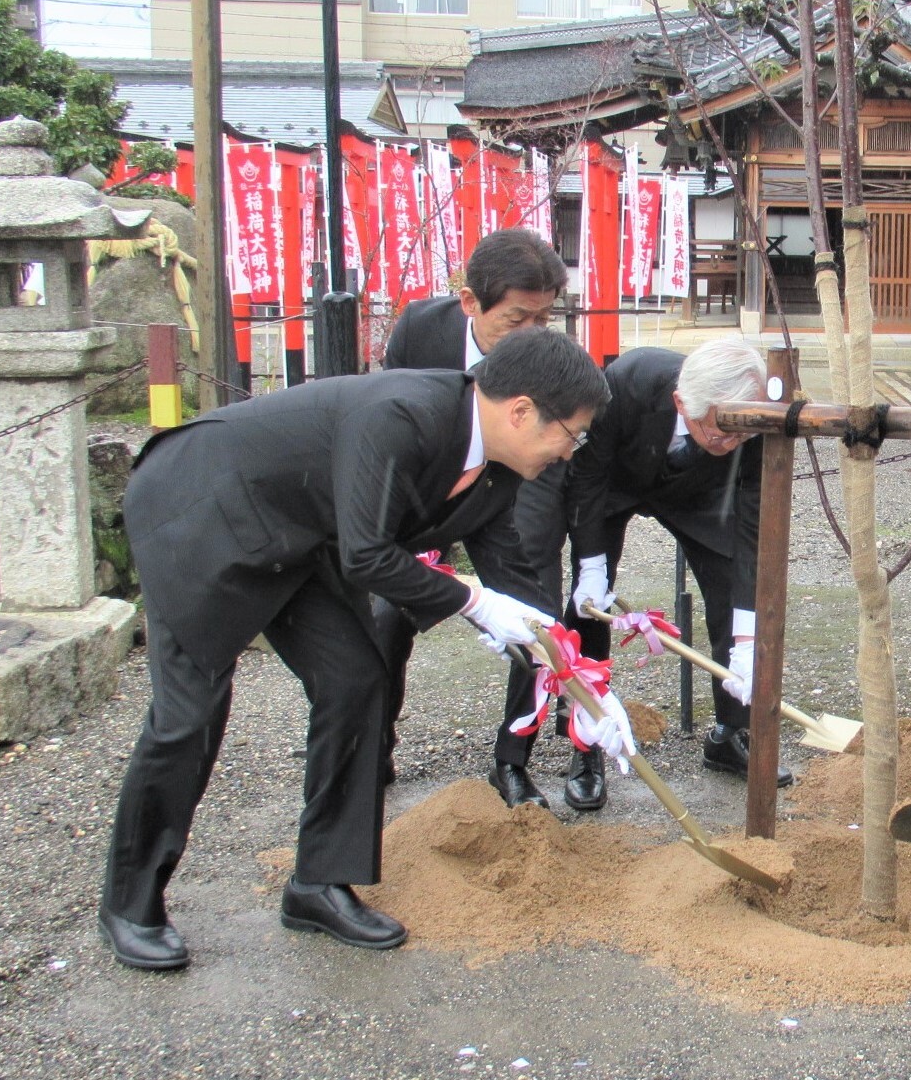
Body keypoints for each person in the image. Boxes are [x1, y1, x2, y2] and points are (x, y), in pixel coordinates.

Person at [100, 329, 626, 971]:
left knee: (356, 678)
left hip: (297, 534)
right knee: (191, 711)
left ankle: (319, 883)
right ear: (521, 411)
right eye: (571, 435)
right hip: (201, 508)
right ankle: (132, 901)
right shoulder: (402, 415)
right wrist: (474, 604)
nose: (570, 453)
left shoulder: (496, 466)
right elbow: (369, 555)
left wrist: (580, 681)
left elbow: (511, 573)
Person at [380, 228, 581, 811]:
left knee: (537, 609)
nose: (533, 334)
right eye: (517, 319)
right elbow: (392, 416)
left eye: (544, 318)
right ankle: (375, 742)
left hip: (515, 483)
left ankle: (512, 761)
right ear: (470, 302)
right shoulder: (422, 328)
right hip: (435, 483)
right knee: (385, 613)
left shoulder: (545, 357)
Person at [563, 338, 793, 786]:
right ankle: (587, 741)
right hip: (618, 481)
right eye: (719, 431)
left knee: (731, 588)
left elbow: (752, 521)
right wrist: (591, 561)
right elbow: (587, 474)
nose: (732, 443)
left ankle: (730, 730)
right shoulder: (628, 382)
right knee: (588, 605)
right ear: (681, 403)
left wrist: (749, 639)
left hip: (701, 491)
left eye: (740, 434)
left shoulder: (754, 418)